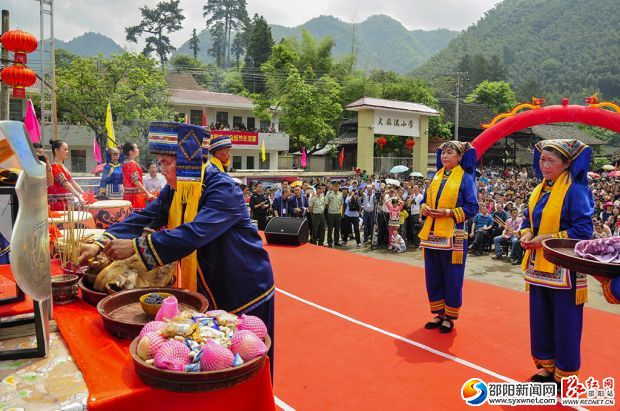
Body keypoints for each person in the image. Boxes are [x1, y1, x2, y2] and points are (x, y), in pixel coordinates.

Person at [79, 122, 275, 372]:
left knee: (245, 358)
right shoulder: (175, 190)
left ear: (189, 163)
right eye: (159, 163)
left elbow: (193, 233)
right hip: (209, 282)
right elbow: (146, 216)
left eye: (167, 163)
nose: (163, 171)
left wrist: (137, 247)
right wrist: (101, 241)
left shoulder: (224, 188)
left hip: (243, 286)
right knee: (211, 354)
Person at [519, 139, 593, 384]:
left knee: (566, 321)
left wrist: (547, 239)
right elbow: (527, 221)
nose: (545, 165)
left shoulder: (576, 189)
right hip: (539, 265)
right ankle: (546, 364)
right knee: (540, 317)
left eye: (551, 161)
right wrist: (527, 233)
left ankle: (566, 373)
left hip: (566, 267)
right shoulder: (539, 189)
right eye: (542, 159)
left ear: (566, 163)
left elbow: (583, 230)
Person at [419, 141, 478, 333]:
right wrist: (424, 208)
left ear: (460, 157)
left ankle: (450, 316)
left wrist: (447, 212)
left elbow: (472, 208)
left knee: (452, 277)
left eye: (450, 152)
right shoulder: (435, 176)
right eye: (443, 153)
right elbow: (426, 200)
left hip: (454, 235)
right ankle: (439, 313)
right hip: (432, 234)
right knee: (433, 275)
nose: (445, 156)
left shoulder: (466, 178)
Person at [47, 139, 85, 211]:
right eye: (65, 149)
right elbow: (66, 184)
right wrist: (79, 197)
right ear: (56, 150)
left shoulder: (62, 166)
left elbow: (71, 181)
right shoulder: (55, 167)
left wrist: (83, 193)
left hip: (65, 203)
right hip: (57, 204)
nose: (67, 151)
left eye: (67, 149)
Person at [122, 142, 155, 209]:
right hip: (135, 197)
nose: (138, 150)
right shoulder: (132, 164)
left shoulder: (125, 163)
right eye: (136, 148)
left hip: (127, 195)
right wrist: (147, 193)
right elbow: (136, 181)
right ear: (131, 152)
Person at [325, 181, 343, 247]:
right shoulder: (329, 194)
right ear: (333, 187)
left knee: (337, 229)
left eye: (338, 186)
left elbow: (341, 204)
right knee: (330, 229)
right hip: (331, 214)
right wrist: (331, 209)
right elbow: (326, 204)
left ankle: (336, 241)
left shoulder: (340, 194)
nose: (336, 188)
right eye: (335, 186)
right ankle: (329, 242)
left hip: (338, 214)